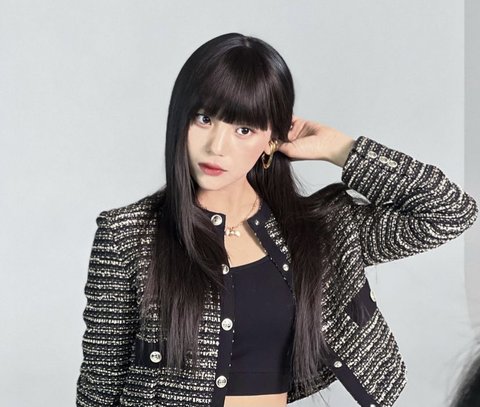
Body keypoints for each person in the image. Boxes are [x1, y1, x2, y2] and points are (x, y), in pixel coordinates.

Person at [76, 33, 478, 407]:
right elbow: (99, 388)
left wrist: (341, 149)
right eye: (203, 119)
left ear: (272, 140)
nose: (217, 146)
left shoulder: (320, 233)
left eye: (243, 129)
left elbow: (449, 211)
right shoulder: (128, 236)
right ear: (179, 118)